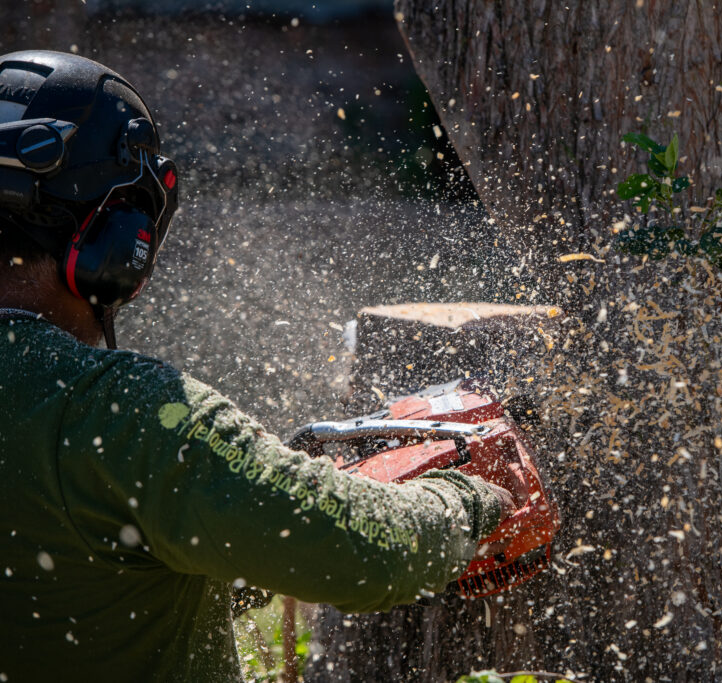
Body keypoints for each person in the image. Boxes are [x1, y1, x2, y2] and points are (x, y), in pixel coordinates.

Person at [0, 50, 513, 682]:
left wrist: (261, 513)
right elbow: (367, 554)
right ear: (119, 237)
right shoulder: (117, 415)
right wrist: (471, 496)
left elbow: (94, 575)